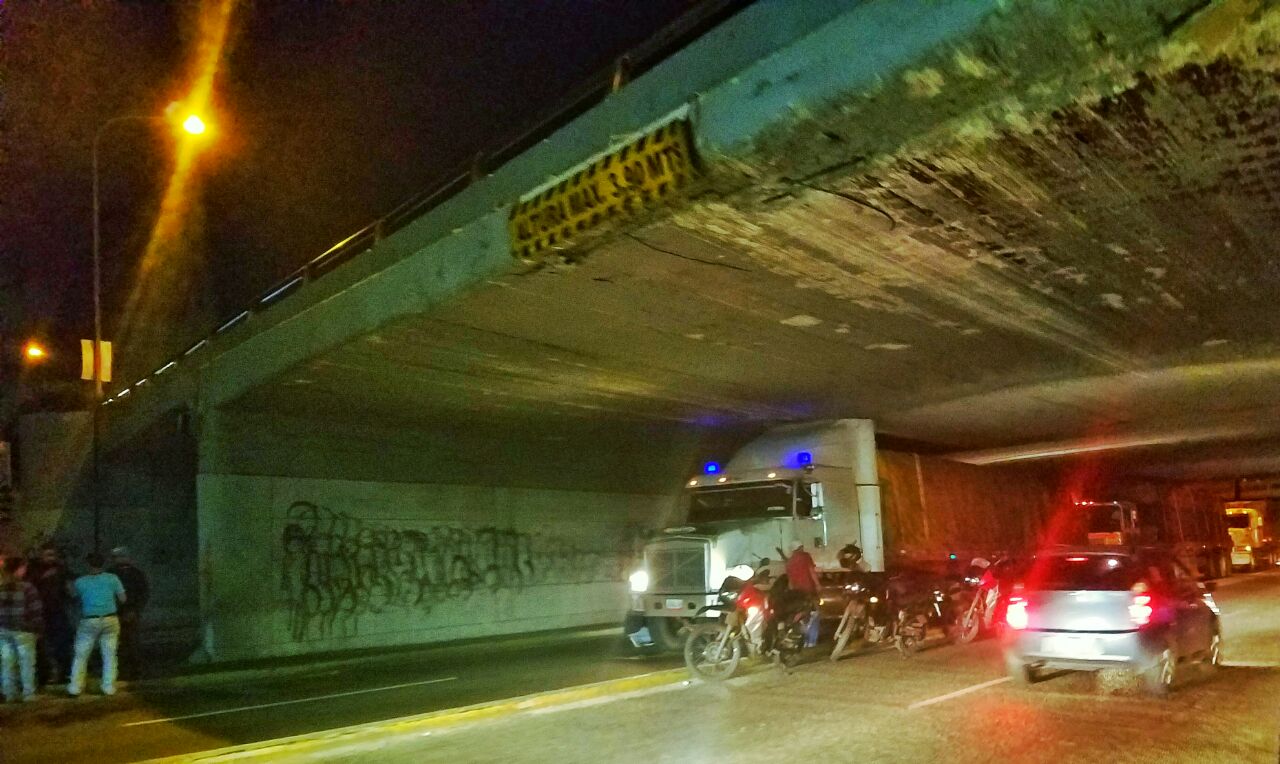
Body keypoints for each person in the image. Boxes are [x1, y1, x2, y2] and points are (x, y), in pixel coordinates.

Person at [68, 552, 125, 697]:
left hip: (89, 620)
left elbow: (73, 596)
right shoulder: (112, 578)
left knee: (81, 655)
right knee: (109, 654)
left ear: (88, 564)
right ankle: (108, 687)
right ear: (103, 563)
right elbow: (123, 598)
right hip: (110, 619)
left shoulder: (81, 581)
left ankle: (75, 687)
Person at [27, 544, 72, 686]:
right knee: (40, 645)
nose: (50, 558)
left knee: (61, 644)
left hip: (57, 610)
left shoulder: (61, 570)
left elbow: (67, 588)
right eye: (47, 555)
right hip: (40, 612)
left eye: (52, 555)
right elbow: (30, 585)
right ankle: (43, 676)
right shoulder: (34, 569)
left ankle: (63, 674)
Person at [0, 556, 43, 702]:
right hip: (24, 630)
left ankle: (9, 693)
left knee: (7, 662)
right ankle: (28, 693)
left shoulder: (1, 586)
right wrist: (38, 629)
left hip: (4, 630)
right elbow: (35, 610)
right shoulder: (27, 587)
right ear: (19, 569)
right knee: (27, 662)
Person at [108, 546, 149, 680]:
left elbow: (143, 593)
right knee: (121, 643)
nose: (120, 559)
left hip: (128, 612)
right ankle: (124, 670)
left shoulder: (134, 574)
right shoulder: (114, 574)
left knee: (131, 643)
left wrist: (134, 610)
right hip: (118, 613)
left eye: (121, 556)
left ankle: (134, 670)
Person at [785, 542, 822, 648]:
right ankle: (812, 641)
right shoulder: (805, 556)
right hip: (809, 590)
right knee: (815, 613)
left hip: (797, 593)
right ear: (800, 548)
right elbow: (811, 571)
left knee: (801, 615)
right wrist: (818, 584)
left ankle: (803, 641)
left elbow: (790, 581)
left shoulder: (789, 562)